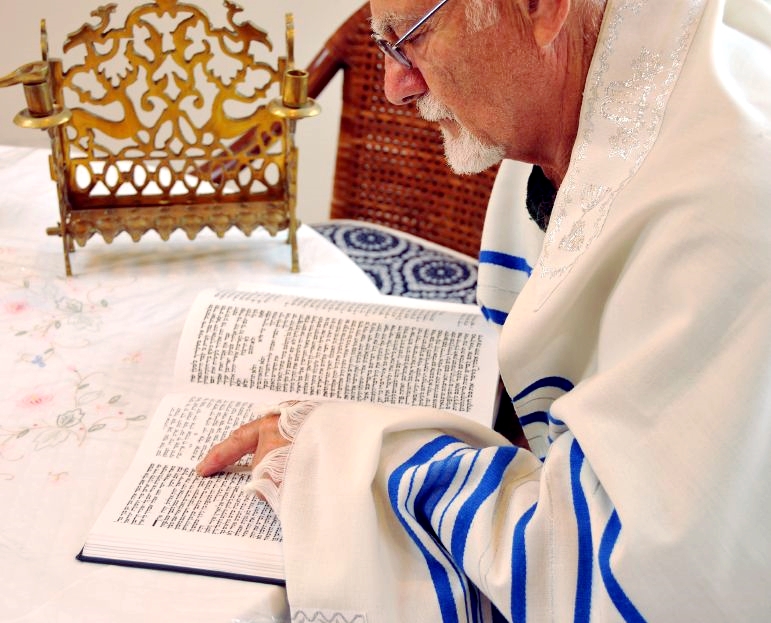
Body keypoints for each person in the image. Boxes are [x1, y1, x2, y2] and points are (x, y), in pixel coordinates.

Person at [198, 0, 771, 620]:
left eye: (409, 37)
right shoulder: (563, 97)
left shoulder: (727, 194)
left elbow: (627, 577)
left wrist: (337, 451)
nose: (394, 86)